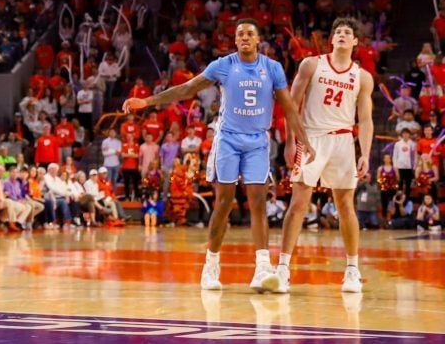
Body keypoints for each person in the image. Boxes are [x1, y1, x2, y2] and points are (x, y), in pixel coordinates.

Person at [124, 19, 313, 293]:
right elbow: (187, 89)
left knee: (258, 203)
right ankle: (211, 265)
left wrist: (303, 142)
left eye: (250, 33)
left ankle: (262, 269)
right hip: (227, 141)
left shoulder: (272, 68)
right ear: (235, 41)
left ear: (258, 40)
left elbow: (289, 108)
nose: (245, 37)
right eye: (240, 35)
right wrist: (148, 102)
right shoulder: (223, 65)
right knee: (223, 203)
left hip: (258, 141)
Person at [277, 18, 374, 294]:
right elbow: (291, 105)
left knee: (346, 206)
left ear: (355, 41)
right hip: (311, 139)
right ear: (332, 39)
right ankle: (283, 268)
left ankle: (352, 270)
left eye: (348, 33)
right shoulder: (311, 64)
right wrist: (290, 142)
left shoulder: (362, 77)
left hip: (343, 140)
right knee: (298, 204)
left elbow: (365, 120)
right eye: (338, 32)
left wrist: (364, 152)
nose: (342, 35)